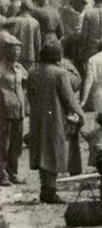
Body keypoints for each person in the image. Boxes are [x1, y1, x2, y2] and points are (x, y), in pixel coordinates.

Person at [27, 40, 86, 204]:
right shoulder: (60, 73)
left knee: (41, 152)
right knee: (53, 151)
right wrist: (80, 115)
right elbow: (69, 98)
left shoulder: (33, 72)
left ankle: (45, 188)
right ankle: (50, 191)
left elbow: (29, 95)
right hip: (55, 118)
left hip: (37, 116)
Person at [0, 32, 29, 185]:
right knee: (3, 144)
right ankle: (2, 174)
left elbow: (27, 80)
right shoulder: (1, 68)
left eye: (18, 50)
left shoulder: (20, 67)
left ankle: (13, 172)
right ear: (6, 51)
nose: (16, 53)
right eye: (13, 50)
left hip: (19, 110)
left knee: (16, 145)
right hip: (4, 111)